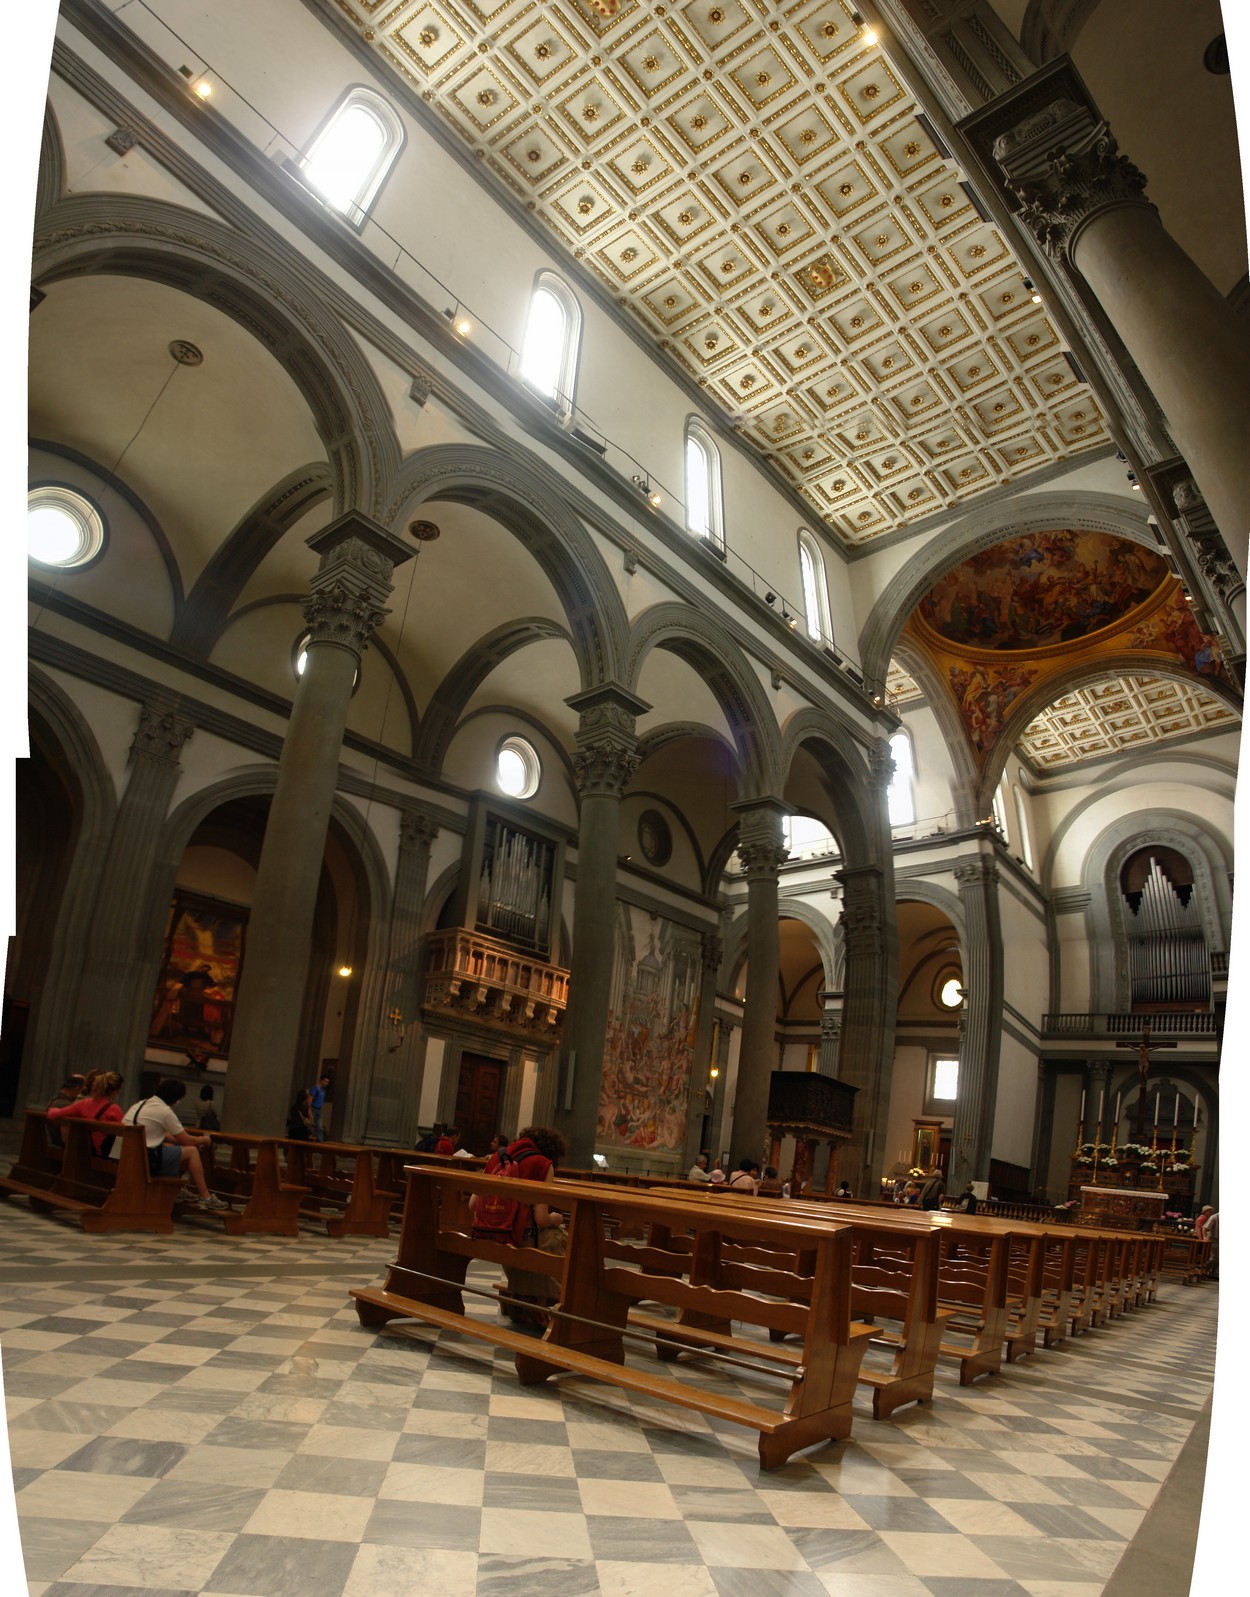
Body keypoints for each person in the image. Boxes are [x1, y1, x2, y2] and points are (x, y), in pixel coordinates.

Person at [471, 1124, 567, 1327]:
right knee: (561, 1239)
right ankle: (540, 1301)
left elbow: (473, 1204)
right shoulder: (543, 1164)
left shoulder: (497, 1157)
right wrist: (555, 1218)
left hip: (492, 1233)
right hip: (521, 1237)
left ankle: (524, 1297)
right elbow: (541, 1219)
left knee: (530, 1240)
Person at [118, 1079, 225, 1209]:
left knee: (172, 1148)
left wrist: (178, 1140)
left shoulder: (141, 1104)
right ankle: (206, 1197)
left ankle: (177, 1189)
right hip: (145, 1161)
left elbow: (158, 1135)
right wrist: (204, 1140)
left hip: (126, 1155)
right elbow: (188, 1141)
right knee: (192, 1151)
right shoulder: (164, 1111)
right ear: (175, 1099)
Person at [47, 1070, 125, 1155]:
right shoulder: (114, 1109)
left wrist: (53, 1108)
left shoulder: (83, 1104)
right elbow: (124, 1133)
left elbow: (52, 1114)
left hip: (84, 1149)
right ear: (116, 1091)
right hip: (103, 1153)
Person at [308, 1074, 331, 1141]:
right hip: (313, 1108)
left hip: (319, 1109)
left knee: (320, 1127)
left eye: (328, 1082)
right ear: (321, 1080)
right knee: (309, 1125)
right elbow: (310, 1099)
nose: (327, 1083)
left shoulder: (323, 1090)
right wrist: (309, 1109)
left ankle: (320, 1141)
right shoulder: (316, 1088)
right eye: (326, 1081)